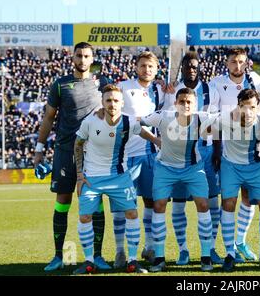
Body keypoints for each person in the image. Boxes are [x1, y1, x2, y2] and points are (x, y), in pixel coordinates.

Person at [34, 42, 111, 272]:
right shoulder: (60, 85)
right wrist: (39, 149)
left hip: (93, 152)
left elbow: (116, 106)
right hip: (65, 150)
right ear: (72, 57)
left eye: (87, 56)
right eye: (79, 55)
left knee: (94, 201)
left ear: (92, 58)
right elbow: (48, 118)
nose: (83, 59)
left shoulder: (102, 84)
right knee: (63, 201)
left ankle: (97, 256)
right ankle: (59, 256)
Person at [73, 84, 155, 274]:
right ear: (102, 102)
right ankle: (88, 262)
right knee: (85, 217)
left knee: (132, 214)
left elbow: (141, 131)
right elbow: (78, 144)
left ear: (122, 103)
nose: (112, 104)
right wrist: (79, 175)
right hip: (91, 178)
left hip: (119, 177)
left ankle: (132, 261)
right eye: (108, 100)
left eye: (116, 100)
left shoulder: (128, 122)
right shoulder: (90, 121)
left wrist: (157, 141)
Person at [142, 88, 216, 273]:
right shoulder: (162, 116)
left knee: (203, 205)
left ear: (195, 104)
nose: (185, 105)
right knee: (159, 206)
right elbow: (136, 123)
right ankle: (159, 258)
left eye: (189, 101)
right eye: (182, 101)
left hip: (193, 168)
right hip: (165, 168)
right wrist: (154, 139)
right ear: (175, 103)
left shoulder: (202, 117)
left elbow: (226, 119)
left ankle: (206, 257)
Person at [202, 88, 260, 272]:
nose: (248, 111)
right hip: (231, 167)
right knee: (228, 204)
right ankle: (230, 254)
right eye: (244, 106)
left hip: (257, 166)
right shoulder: (226, 118)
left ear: (257, 107)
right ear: (238, 106)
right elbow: (206, 131)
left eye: (252, 107)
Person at [162, 51, 224, 265]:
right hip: (179, 153)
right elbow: (164, 119)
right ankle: (183, 250)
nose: (191, 69)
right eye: (187, 66)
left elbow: (215, 123)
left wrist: (217, 150)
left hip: (206, 153)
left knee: (212, 203)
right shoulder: (172, 92)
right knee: (178, 204)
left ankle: (211, 247)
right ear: (182, 68)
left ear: (200, 68)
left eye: (194, 66)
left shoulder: (210, 90)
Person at [209, 47, 260, 262]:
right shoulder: (216, 83)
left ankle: (240, 241)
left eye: (241, 62)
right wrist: (216, 147)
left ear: (247, 62)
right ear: (227, 63)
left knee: (249, 198)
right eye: (234, 62)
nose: (238, 66)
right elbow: (213, 119)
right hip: (228, 150)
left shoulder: (256, 81)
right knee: (228, 200)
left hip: (252, 149)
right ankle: (228, 247)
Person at [112, 51, 164, 268]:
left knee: (151, 202)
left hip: (151, 155)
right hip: (124, 156)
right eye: (143, 65)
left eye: (150, 66)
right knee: (123, 205)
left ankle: (149, 247)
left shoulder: (160, 89)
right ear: (135, 67)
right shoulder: (124, 87)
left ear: (156, 68)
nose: (147, 70)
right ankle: (120, 251)